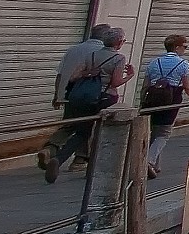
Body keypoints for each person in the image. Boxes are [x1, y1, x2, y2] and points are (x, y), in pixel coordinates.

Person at [40, 26, 129, 182]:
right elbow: (115, 82)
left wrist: (59, 94)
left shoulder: (89, 54)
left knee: (80, 130)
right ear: (119, 42)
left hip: (80, 96)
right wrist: (130, 75)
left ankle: (57, 157)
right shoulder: (118, 58)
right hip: (104, 99)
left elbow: (72, 77)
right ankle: (90, 164)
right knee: (103, 132)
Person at [139, 34, 189, 180]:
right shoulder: (183, 64)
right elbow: (187, 85)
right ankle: (147, 161)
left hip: (153, 99)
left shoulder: (154, 62)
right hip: (172, 98)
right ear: (176, 47)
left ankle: (156, 165)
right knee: (164, 133)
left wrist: (142, 100)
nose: (185, 50)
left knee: (155, 130)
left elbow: (145, 85)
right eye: (185, 47)